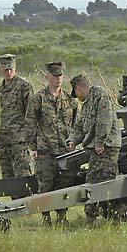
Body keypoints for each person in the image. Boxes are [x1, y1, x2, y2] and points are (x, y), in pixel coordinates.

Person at [26, 62, 79, 225]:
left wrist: (74, 140)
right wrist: (33, 147)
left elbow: (77, 123)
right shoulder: (38, 98)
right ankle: (46, 218)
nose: (58, 79)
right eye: (54, 76)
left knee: (64, 185)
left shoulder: (70, 100)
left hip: (65, 150)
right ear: (47, 77)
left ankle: (62, 216)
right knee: (45, 184)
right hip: (45, 150)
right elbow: (30, 122)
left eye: (60, 76)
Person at [66, 75, 121, 223]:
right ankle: (97, 216)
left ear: (79, 89)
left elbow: (105, 120)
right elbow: (79, 126)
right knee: (94, 180)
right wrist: (72, 140)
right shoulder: (86, 104)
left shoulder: (100, 95)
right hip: (98, 148)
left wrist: (99, 142)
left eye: (76, 93)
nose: (76, 97)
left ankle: (111, 217)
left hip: (106, 147)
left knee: (105, 180)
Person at [0, 54, 33, 181]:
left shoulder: (24, 86)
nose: (9, 72)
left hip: (19, 140)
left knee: (23, 177)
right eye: (6, 69)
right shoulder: (1, 89)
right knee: (7, 178)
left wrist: (31, 139)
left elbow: (31, 114)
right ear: (0, 69)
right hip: (4, 139)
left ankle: (26, 201)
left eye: (11, 69)